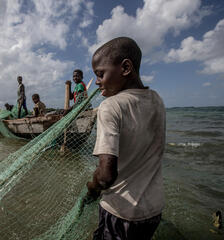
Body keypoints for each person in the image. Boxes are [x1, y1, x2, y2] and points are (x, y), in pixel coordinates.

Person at [85, 37, 165, 240]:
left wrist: (92, 188)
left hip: (121, 212)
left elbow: (105, 176)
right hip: (154, 211)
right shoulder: (157, 100)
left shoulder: (111, 106)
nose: (96, 81)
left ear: (126, 68)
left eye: (100, 74)